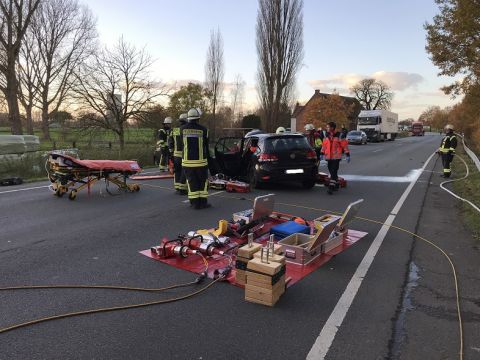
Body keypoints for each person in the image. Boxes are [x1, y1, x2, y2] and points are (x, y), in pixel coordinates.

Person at [180, 108, 211, 209]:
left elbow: (181, 144)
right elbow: (206, 145)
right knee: (202, 182)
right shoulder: (204, 130)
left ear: (188, 118)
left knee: (191, 182)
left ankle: (194, 203)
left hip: (187, 162)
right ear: (198, 118)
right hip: (201, 162)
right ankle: (203, 203)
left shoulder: (182, 129)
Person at [320, 121, 350, 194]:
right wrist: (321, 153)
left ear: (332, 128)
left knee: (333, 172)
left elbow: (344, 145)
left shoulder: (339, 135)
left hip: (336, 157)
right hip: (328, 157)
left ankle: (331, 187)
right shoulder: (326, 136)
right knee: (332, 172)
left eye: (328, 127)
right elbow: (324, 146)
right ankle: (336, 184)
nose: (326, 128)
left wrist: (347, 154)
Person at [169, 113, 188, 194]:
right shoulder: (186, 130)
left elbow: (170, 143)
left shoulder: (174, 130)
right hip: (185, 154)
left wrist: (171, 153)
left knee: (177, 171)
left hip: (176, 155)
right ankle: (182, 189)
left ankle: (177, 187)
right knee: (184, 171)